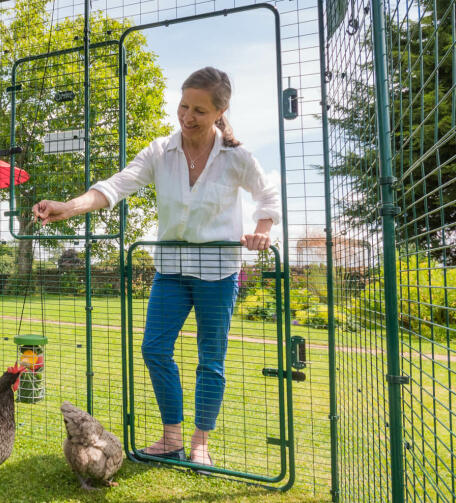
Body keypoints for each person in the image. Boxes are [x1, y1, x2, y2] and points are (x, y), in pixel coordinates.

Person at [32, 67, 281, 467]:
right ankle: (171, 438)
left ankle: (200, 441)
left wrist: (261, 230)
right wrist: (68, 208)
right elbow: (116, 185)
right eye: (183, 105)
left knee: (210, 358)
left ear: (221, 111)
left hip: (218, 271)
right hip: (171, 269)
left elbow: (267, 194)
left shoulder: (236, 157)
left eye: (199, 110)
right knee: (154, 348)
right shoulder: (160, 151)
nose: (187, 116)